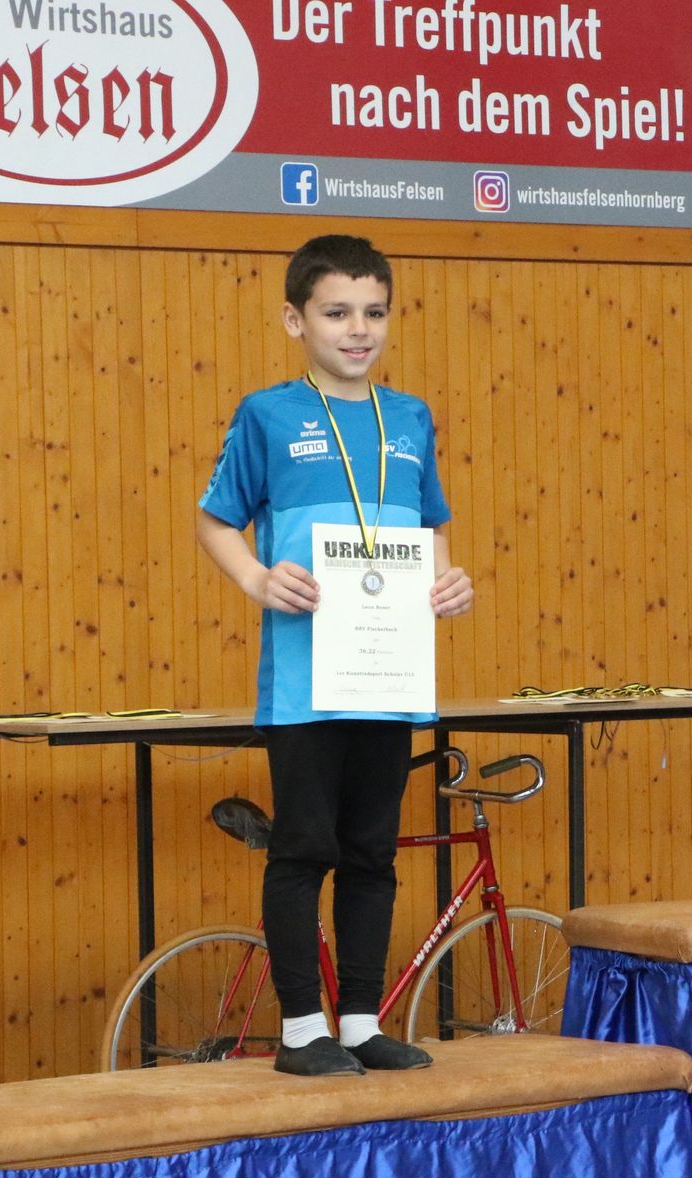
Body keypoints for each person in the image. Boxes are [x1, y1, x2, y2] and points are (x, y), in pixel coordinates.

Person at [196, 234, 473, 1076]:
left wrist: (447, 580)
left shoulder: (409, 417)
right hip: (306, 682)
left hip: (388, 673)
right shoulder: (268, 414)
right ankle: (299, 1030)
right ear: (296, 320)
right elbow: (215, 518)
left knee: (372, 853)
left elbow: (430, 528)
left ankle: (358, 1020)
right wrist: (256, 577)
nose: (359, 329)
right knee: (303, 848)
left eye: (374, 312)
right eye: (338, 312)